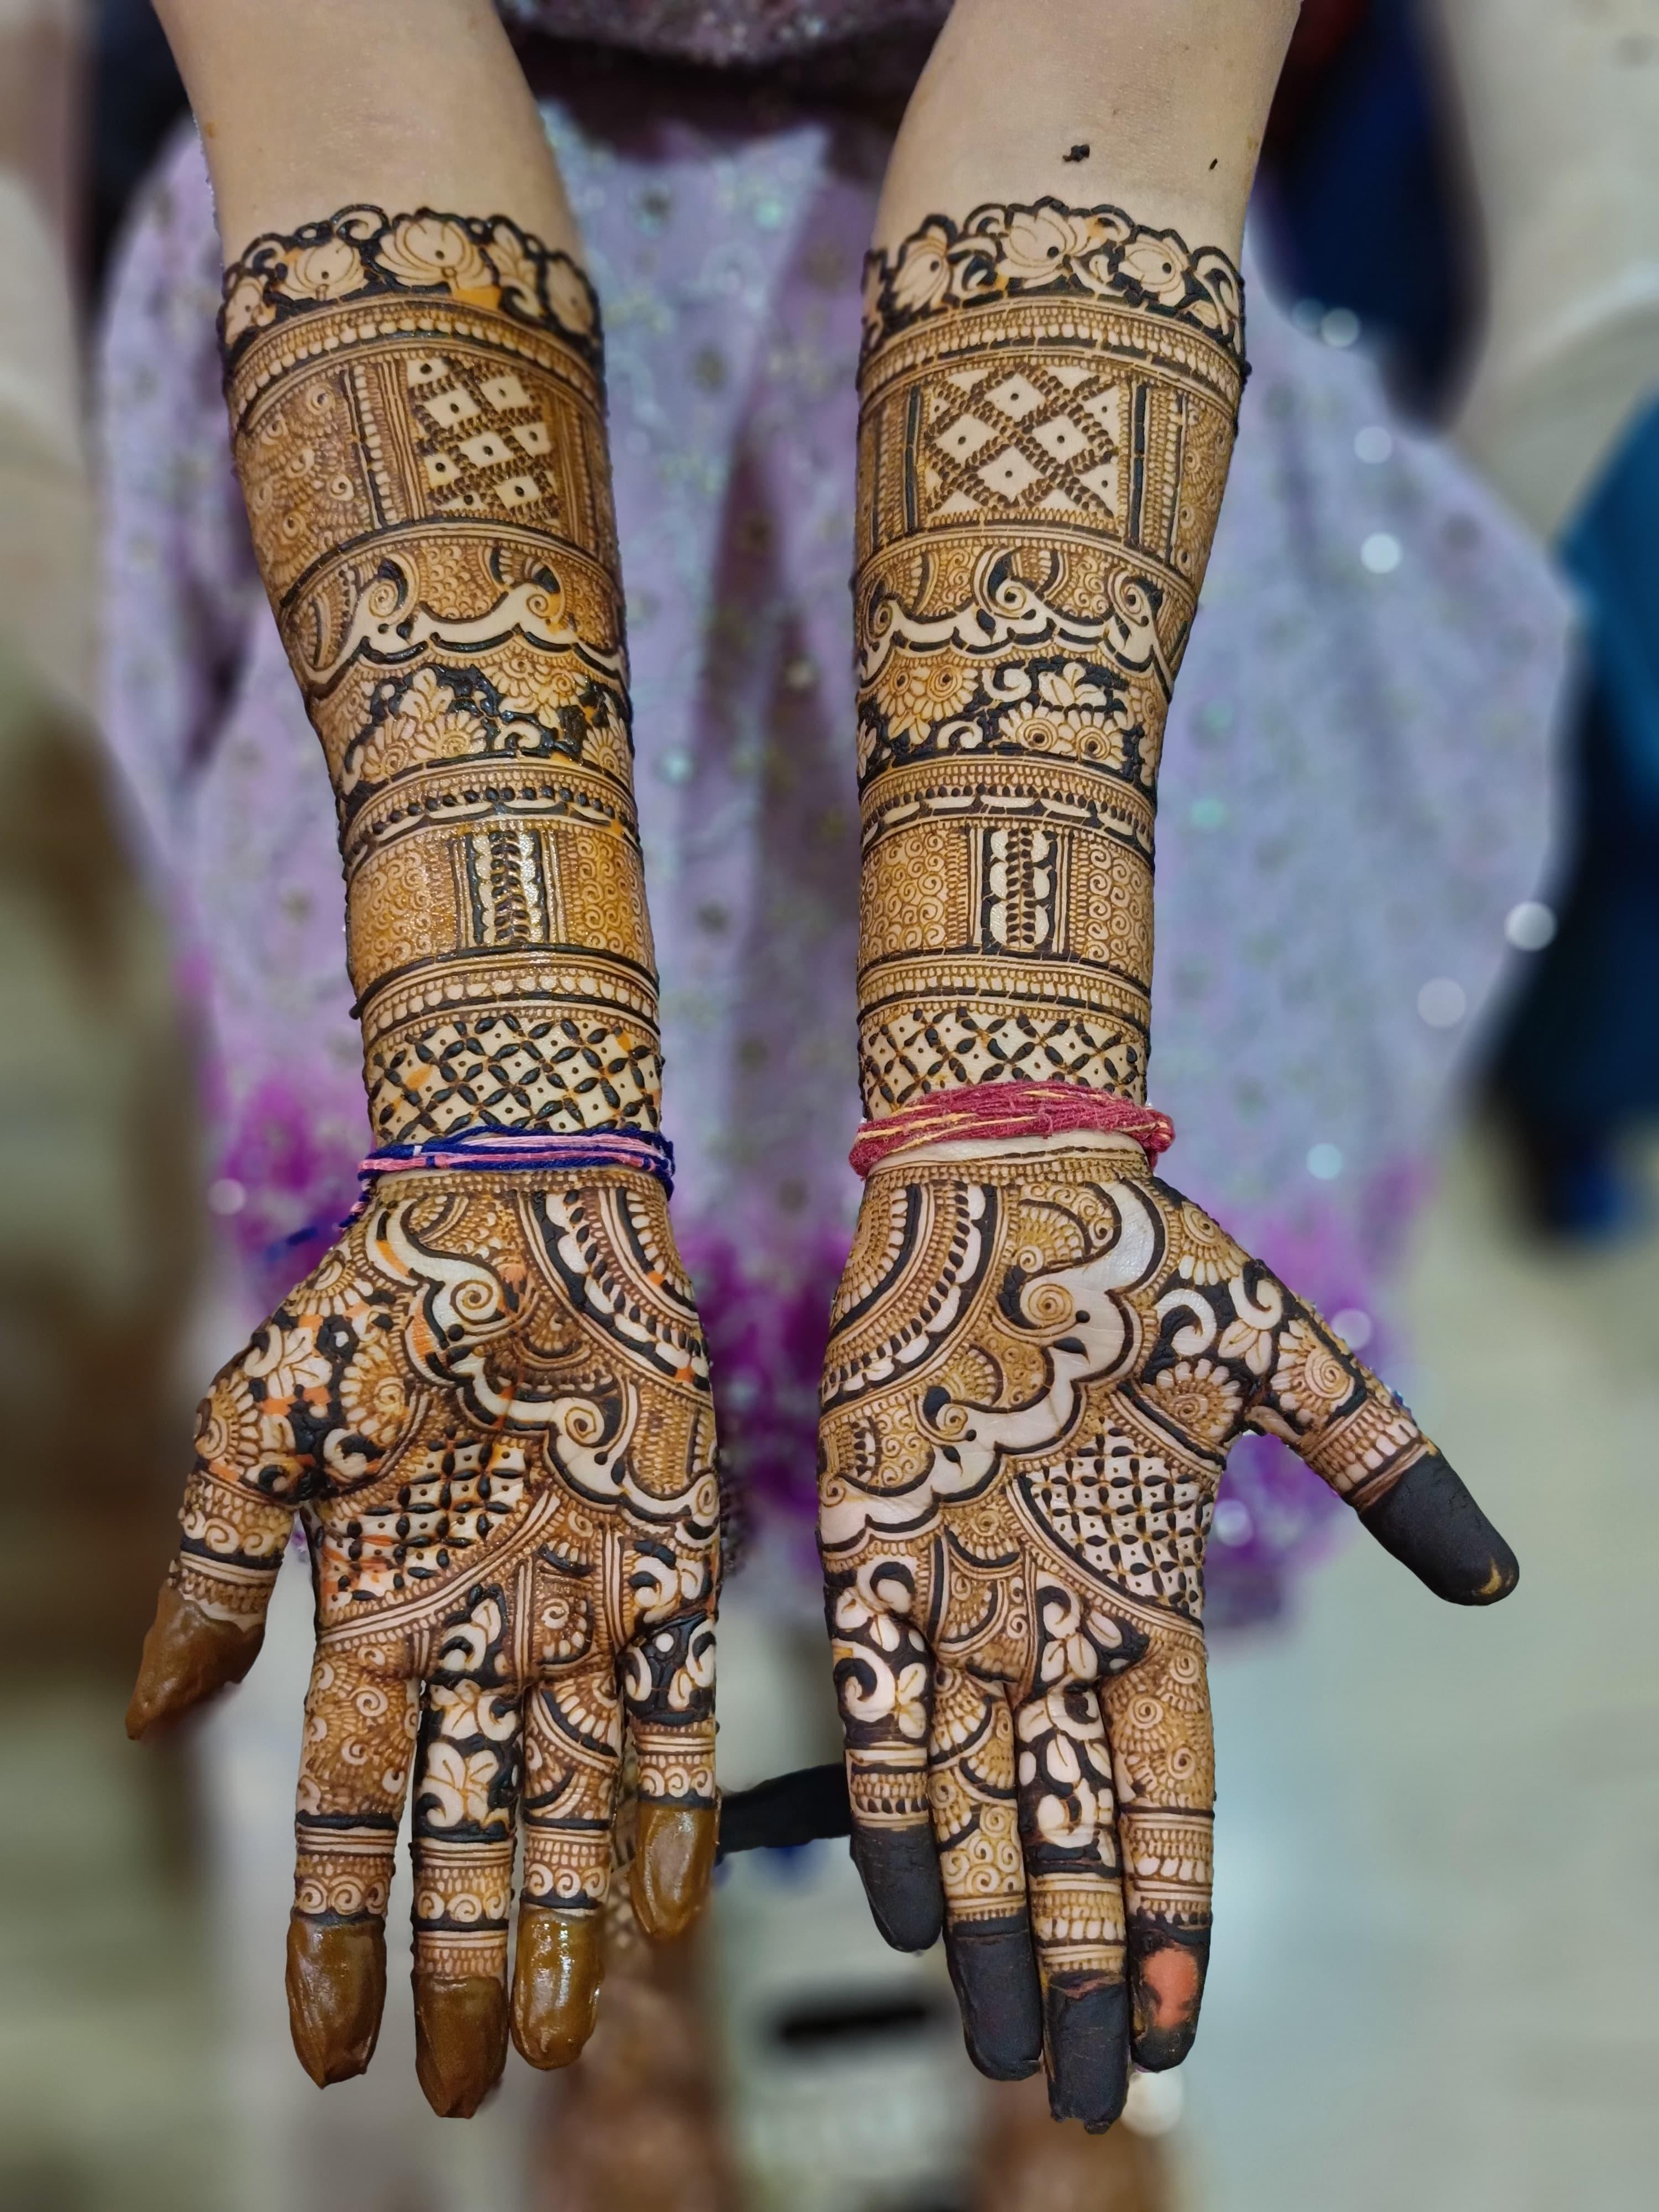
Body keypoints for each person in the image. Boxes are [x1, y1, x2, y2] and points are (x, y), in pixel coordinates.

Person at [116, 0, 1526, 2144]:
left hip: (1051, 451)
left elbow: (1104, 104)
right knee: (539, 1413)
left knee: (1054, 1396)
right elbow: (350, 134)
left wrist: (1019, 1113)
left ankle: (1044, 2003)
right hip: (419, 474)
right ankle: (641, 1946)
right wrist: (510, 1115)